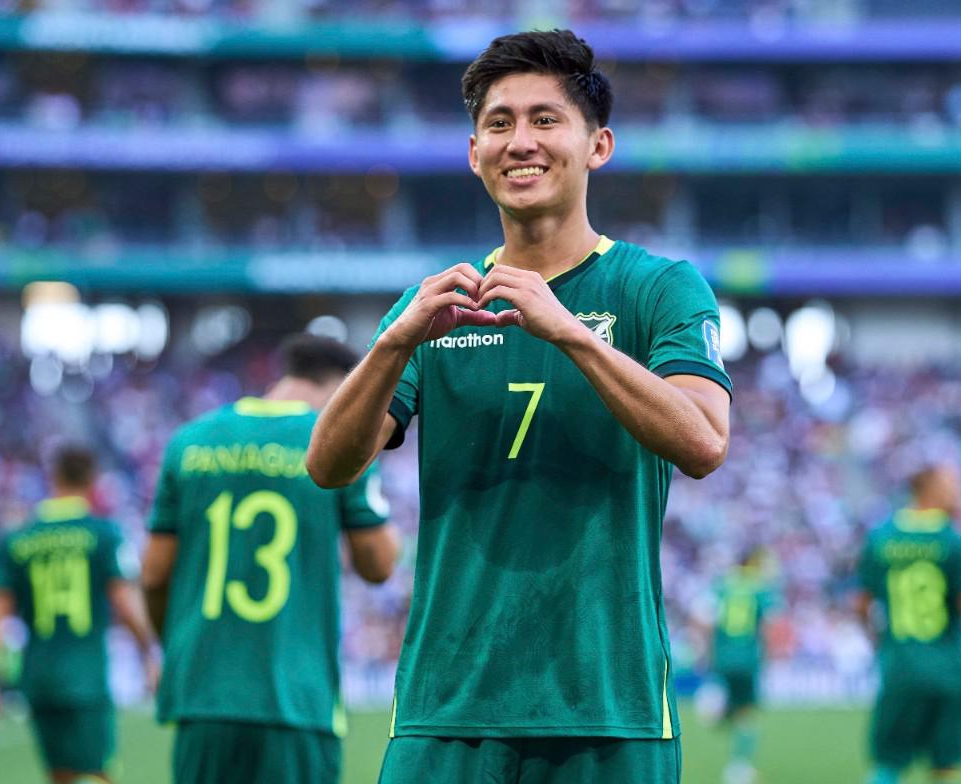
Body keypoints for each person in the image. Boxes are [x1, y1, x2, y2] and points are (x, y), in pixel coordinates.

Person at [307, 29, 732, 784]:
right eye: (498, 123)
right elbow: (330, 466)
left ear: (597, 145)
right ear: (474, 153)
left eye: (545, 119)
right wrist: (393, 344)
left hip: (610, 707)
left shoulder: (658, 287)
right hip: (447, 709)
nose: (519, 141)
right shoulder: (433, 305)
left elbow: (703, 442)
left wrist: (570, 334)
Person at [142, 333, 400, 784]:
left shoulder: (190, 442)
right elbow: (378, 566)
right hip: (295, 698)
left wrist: (177, 647)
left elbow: (153, 575)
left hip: (203, 695)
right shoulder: (338, 446)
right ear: (343, 387)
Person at [0, 446, 158, 784]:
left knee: (60, 776)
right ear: (93, 481)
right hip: (86, 676)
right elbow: (125, 602)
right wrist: (149, 651)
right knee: (99, 772)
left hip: (39, 677)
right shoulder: (103, 534)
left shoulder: (17, 539)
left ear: (53, 478)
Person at [856, 464, 961, 784]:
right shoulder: (960, 542)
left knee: (889, 762)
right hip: (950, 670)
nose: (959, 491)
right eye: (952, 484)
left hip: (900, 667)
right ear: (929, 488)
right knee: (947, 764)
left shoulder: (881, 538)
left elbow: (862, 605)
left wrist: (878, 641)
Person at [706, 550, 781, 784]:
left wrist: (710, 653)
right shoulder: (760, 588)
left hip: (723, 656)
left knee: (737, 707)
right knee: (747, 715)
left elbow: (704, 619)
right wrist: (768, 657)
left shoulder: (723, 585)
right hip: (747, 657)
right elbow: (769, 626)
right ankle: (739, 769)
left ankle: (719, 710)